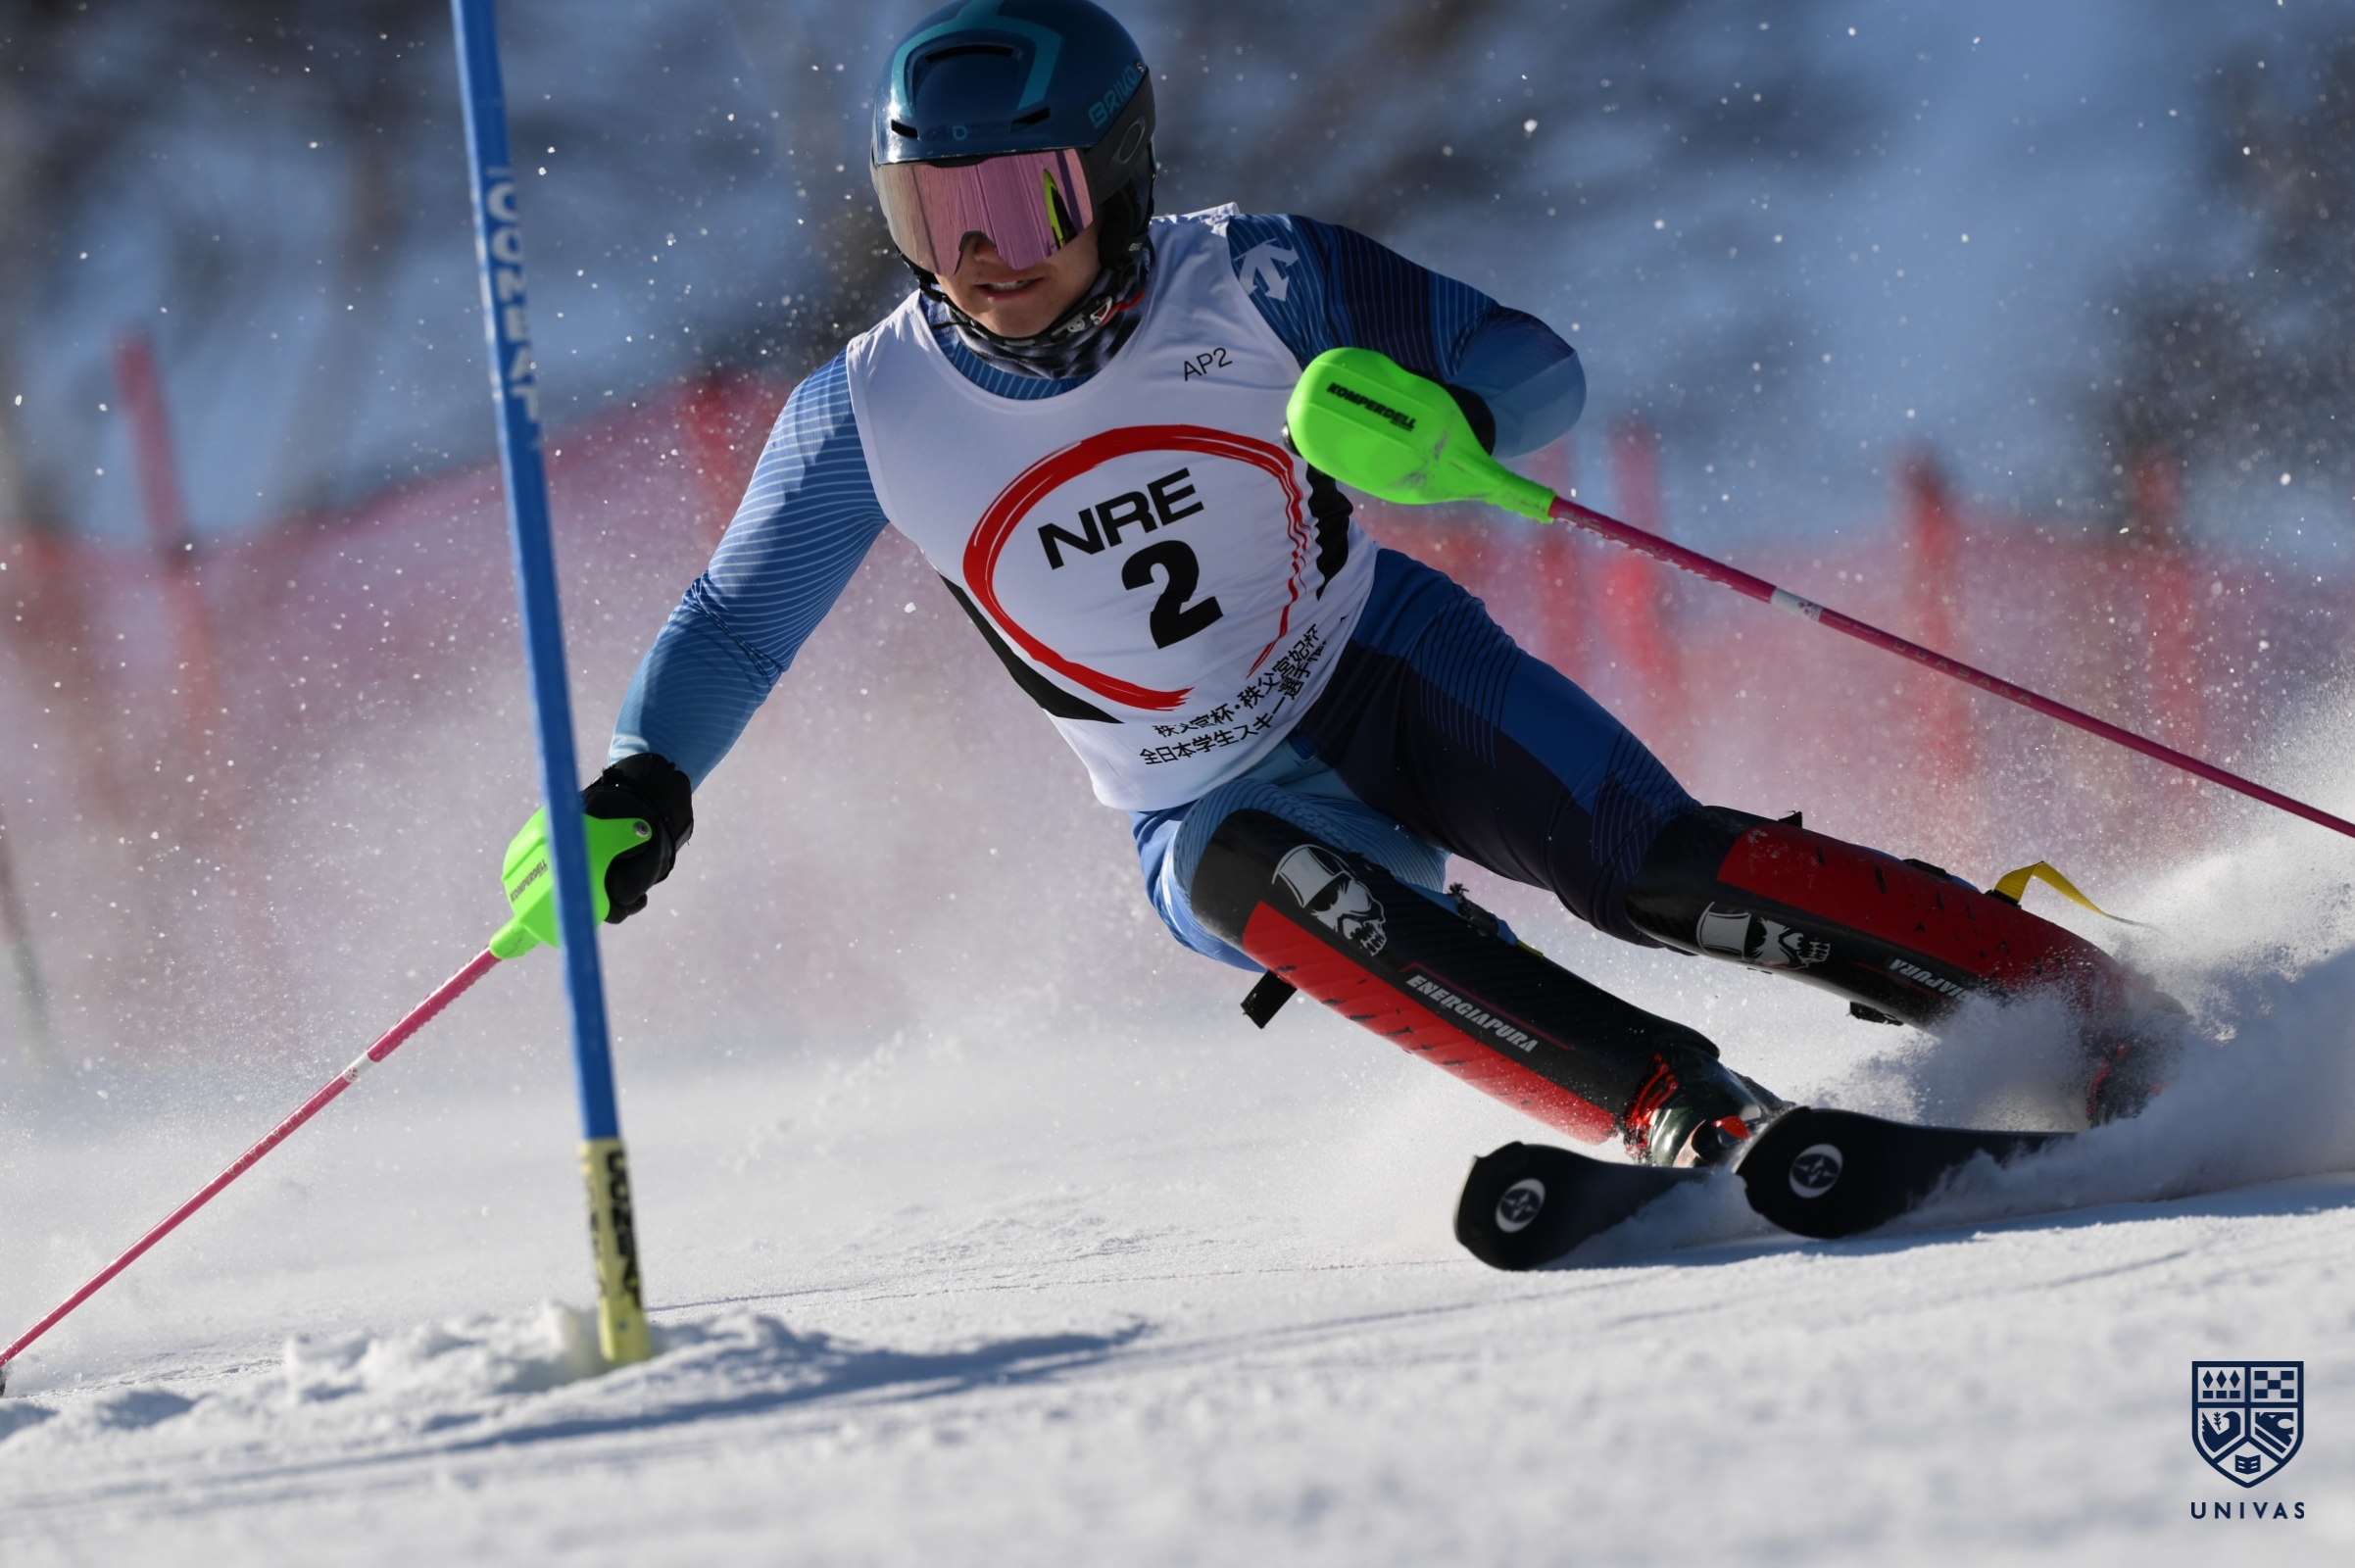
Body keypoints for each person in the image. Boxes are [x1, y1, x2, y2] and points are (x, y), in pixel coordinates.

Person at [569, 0, 2169, 1172]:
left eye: (1014, 203)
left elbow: (1528, 365)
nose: (977, 259)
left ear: (1110, 178)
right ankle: (1682, 1116)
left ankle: (2063, 996)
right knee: (1259, 883)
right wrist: (645, 778)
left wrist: (1449, 423)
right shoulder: (866, 413)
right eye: (932, 215)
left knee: (1650, 869)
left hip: (1384, 669)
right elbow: (736, 622)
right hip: (1195, 797)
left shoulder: (1255, 277)